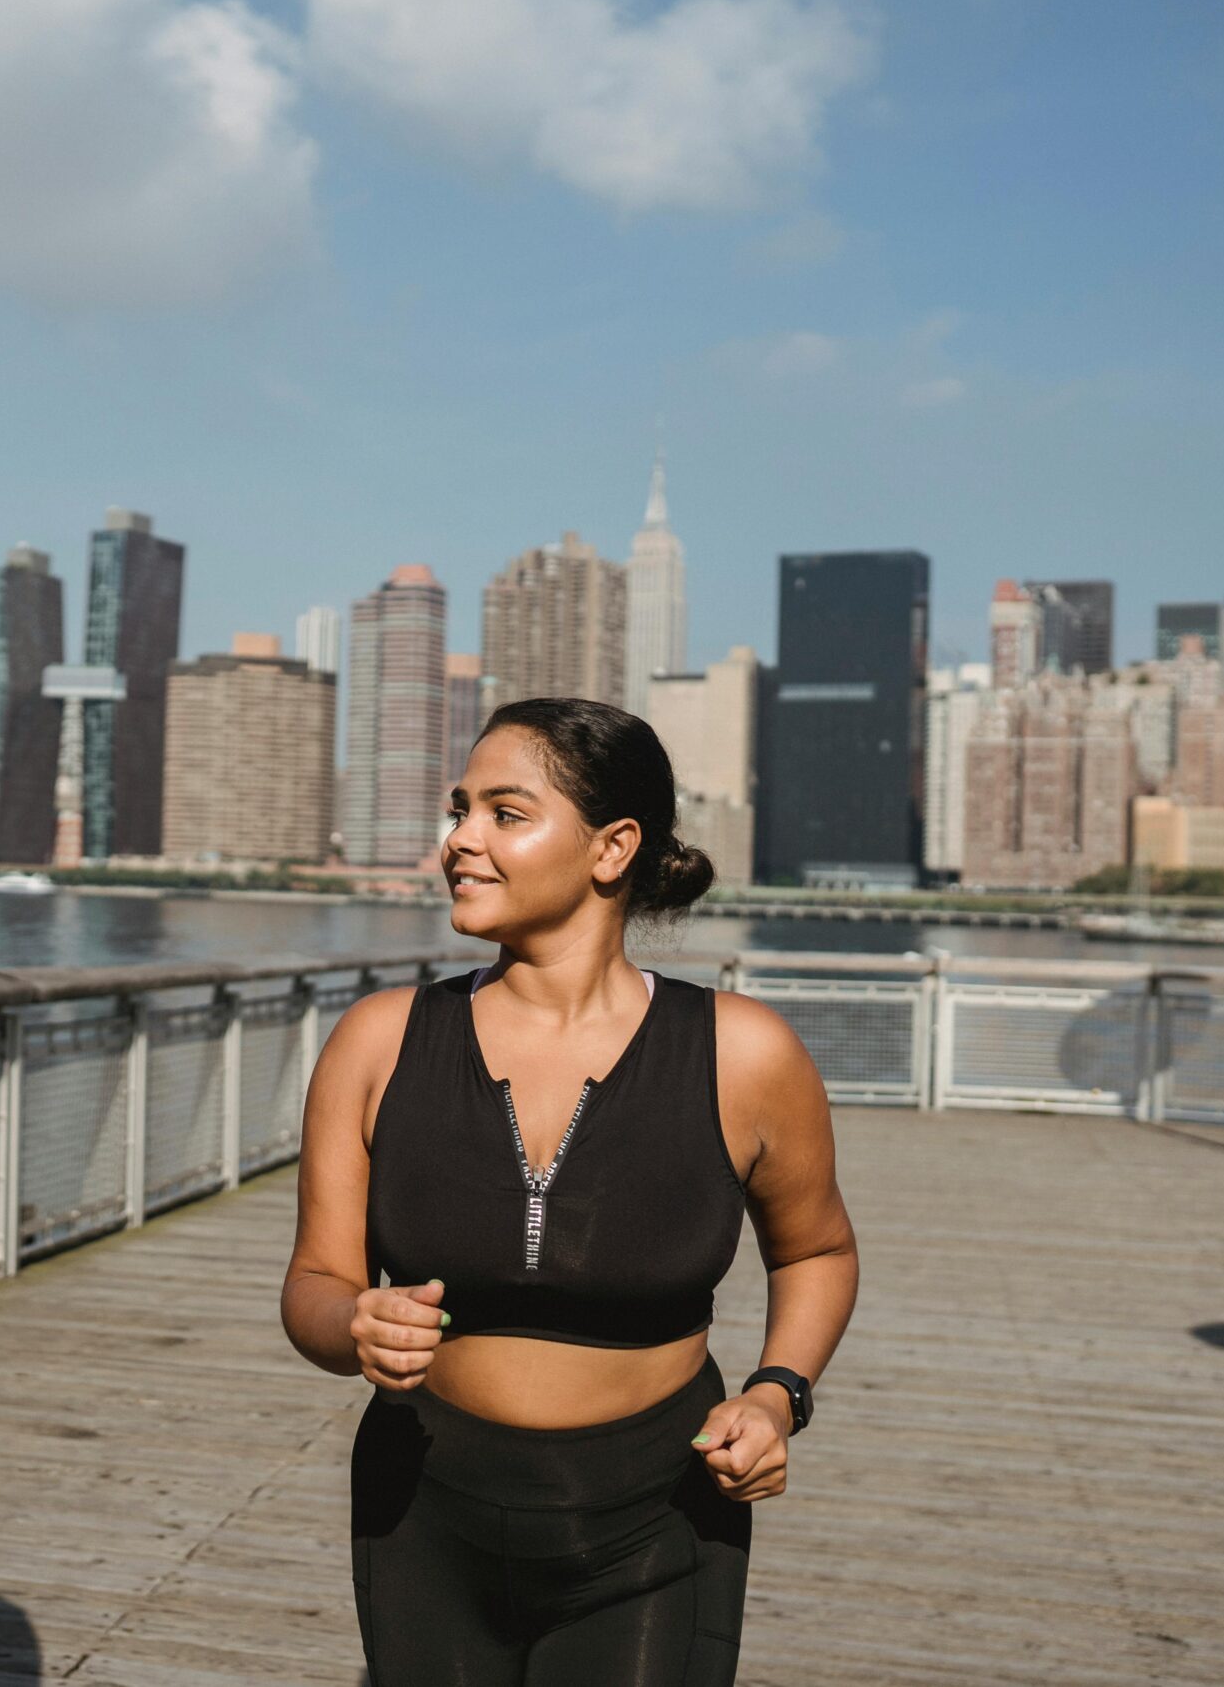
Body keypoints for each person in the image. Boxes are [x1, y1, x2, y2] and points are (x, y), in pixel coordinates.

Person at [282, 697, 858, 1686]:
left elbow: (816, 1252)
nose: (459, 839)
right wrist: (353, 1323)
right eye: (458, 809)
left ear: (611, 848)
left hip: (657, 1513)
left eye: (504, 813)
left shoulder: (744, 1055)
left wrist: (776, 1394)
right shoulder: (378, 1042)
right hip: (422, 1503)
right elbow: (314, 1285)